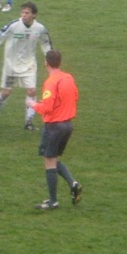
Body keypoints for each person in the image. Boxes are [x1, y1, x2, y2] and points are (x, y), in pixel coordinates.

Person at [27, 50, 82, 210]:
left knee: (49, 161)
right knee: (54, 159)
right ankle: (73, 184)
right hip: (67, 125)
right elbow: (75, 96)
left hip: (54, 126)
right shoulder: (68, 78)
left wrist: (33, 105)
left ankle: (53, 201)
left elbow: (47, 108)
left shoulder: (51, 82)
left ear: (46, 63)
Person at [0, 2, 52, 130]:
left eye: (27, 13)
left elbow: (46, 43)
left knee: (31, 91)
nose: (24, 15)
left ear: (34, 15)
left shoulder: (40, 29)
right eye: (22, 12)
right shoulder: (14, 26)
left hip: (29, 65)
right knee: (6, 92)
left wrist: (48, 57)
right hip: (11, 66)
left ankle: (28, 122)